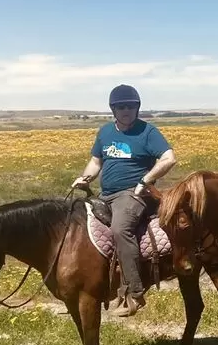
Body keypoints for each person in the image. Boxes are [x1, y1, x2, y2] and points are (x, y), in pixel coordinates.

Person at [72, 84, 176, 316]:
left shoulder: (147, 132)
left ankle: (135, 293)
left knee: (120, 229)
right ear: (113, 110)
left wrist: (145, 180)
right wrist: (85, 178)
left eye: (130, 106)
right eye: (120, 107)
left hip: (133, 193)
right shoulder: (105, 132)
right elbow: (96, 162)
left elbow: (169, 158)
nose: (125, 110)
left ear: (137, 108)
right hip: (105, 194)